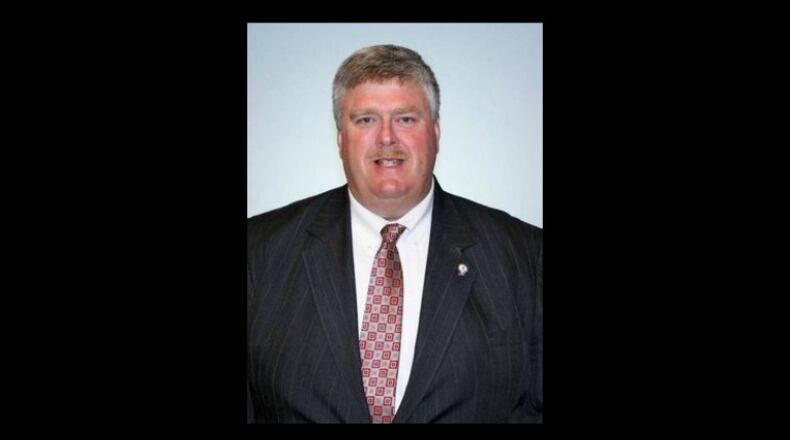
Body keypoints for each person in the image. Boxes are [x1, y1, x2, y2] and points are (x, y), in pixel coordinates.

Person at [247, 44, 542, 423]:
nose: (386, 137)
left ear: (435, 132)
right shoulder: (259, 253)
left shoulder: (526, 257)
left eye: (405, 118)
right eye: (366, 119)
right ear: (340, 138)